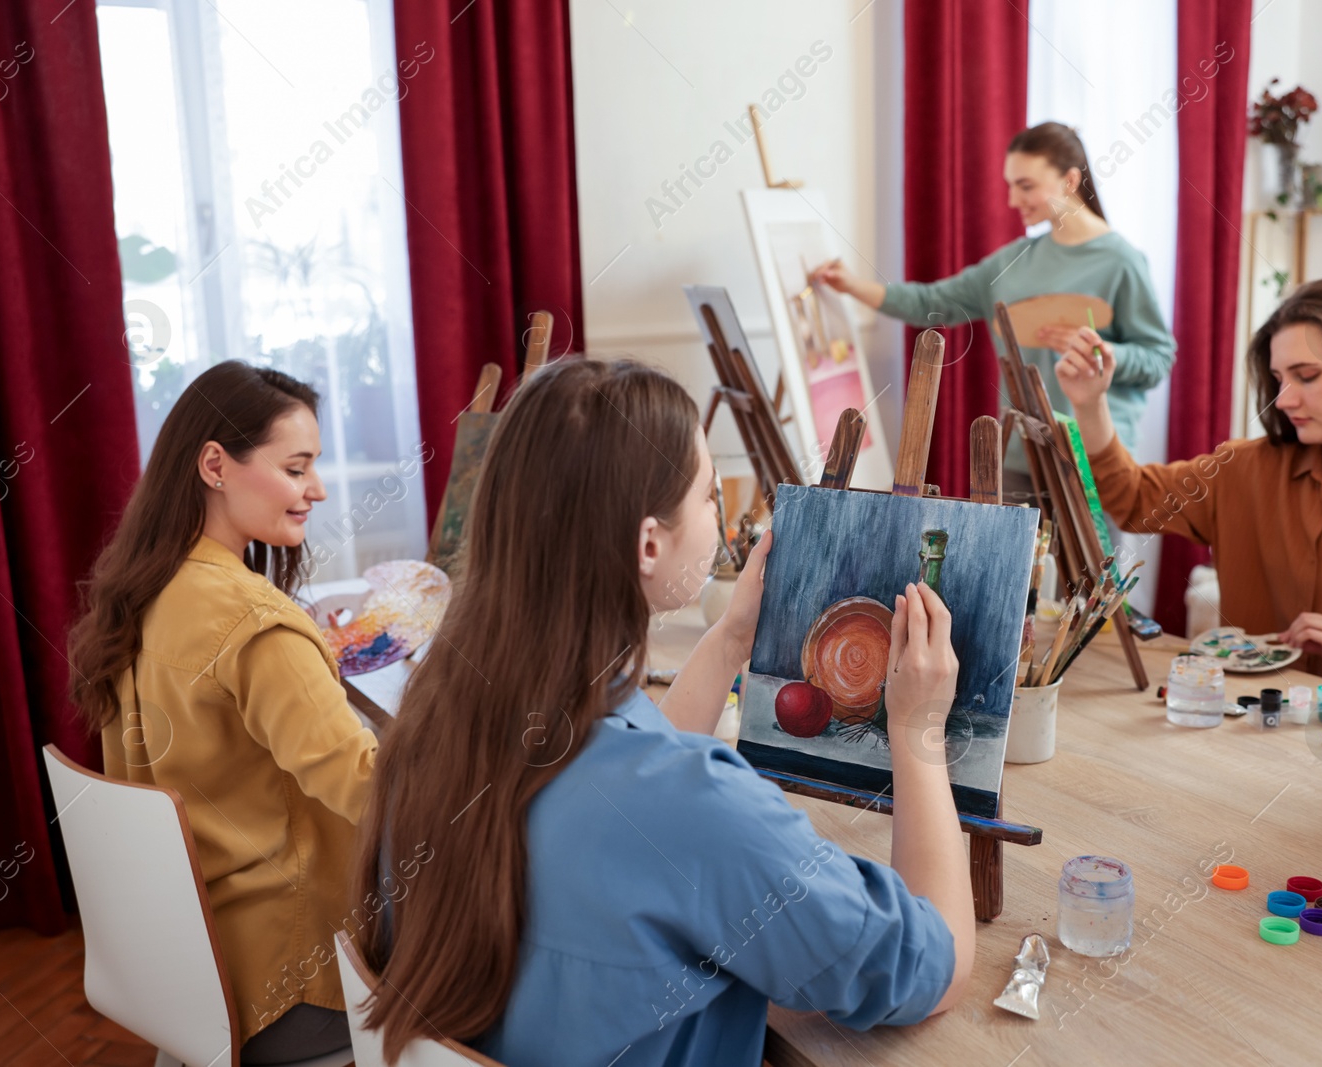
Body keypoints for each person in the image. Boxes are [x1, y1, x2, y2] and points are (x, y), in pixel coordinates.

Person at [352, 359, 973, 1067]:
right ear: (650, 543)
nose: (725, 517)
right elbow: (932, 964)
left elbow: (623, 805)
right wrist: (919, 731)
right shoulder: (698, 807)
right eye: (712, 496)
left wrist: (730, 639)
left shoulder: (438, 723)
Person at [67, 361, 376, 1064]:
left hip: (188, 971)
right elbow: (365, 783)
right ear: (214, 464)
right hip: (291, 982)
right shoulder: (256, 623)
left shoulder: (142, 589)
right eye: (297, 467)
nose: (318, 489)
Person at [1055, 277, 1322, 693]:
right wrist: (1089, 402)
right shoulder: (1243, 470)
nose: (1283, 399)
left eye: (1307, 376)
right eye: (1279, 378)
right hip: (1252, 728)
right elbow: (1131, 498)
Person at [814, 121, 1175, 497]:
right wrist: (851, 286)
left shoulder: (1122, 262)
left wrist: (1102, 353)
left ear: (1070, 181)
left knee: (1094, 560)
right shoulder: (1013, 262)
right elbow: (930, 304)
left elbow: (1157, 359)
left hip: (1095, 462)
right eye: (1010, 185)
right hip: (1021, 460)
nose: (1012, 200)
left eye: (1026, 186)